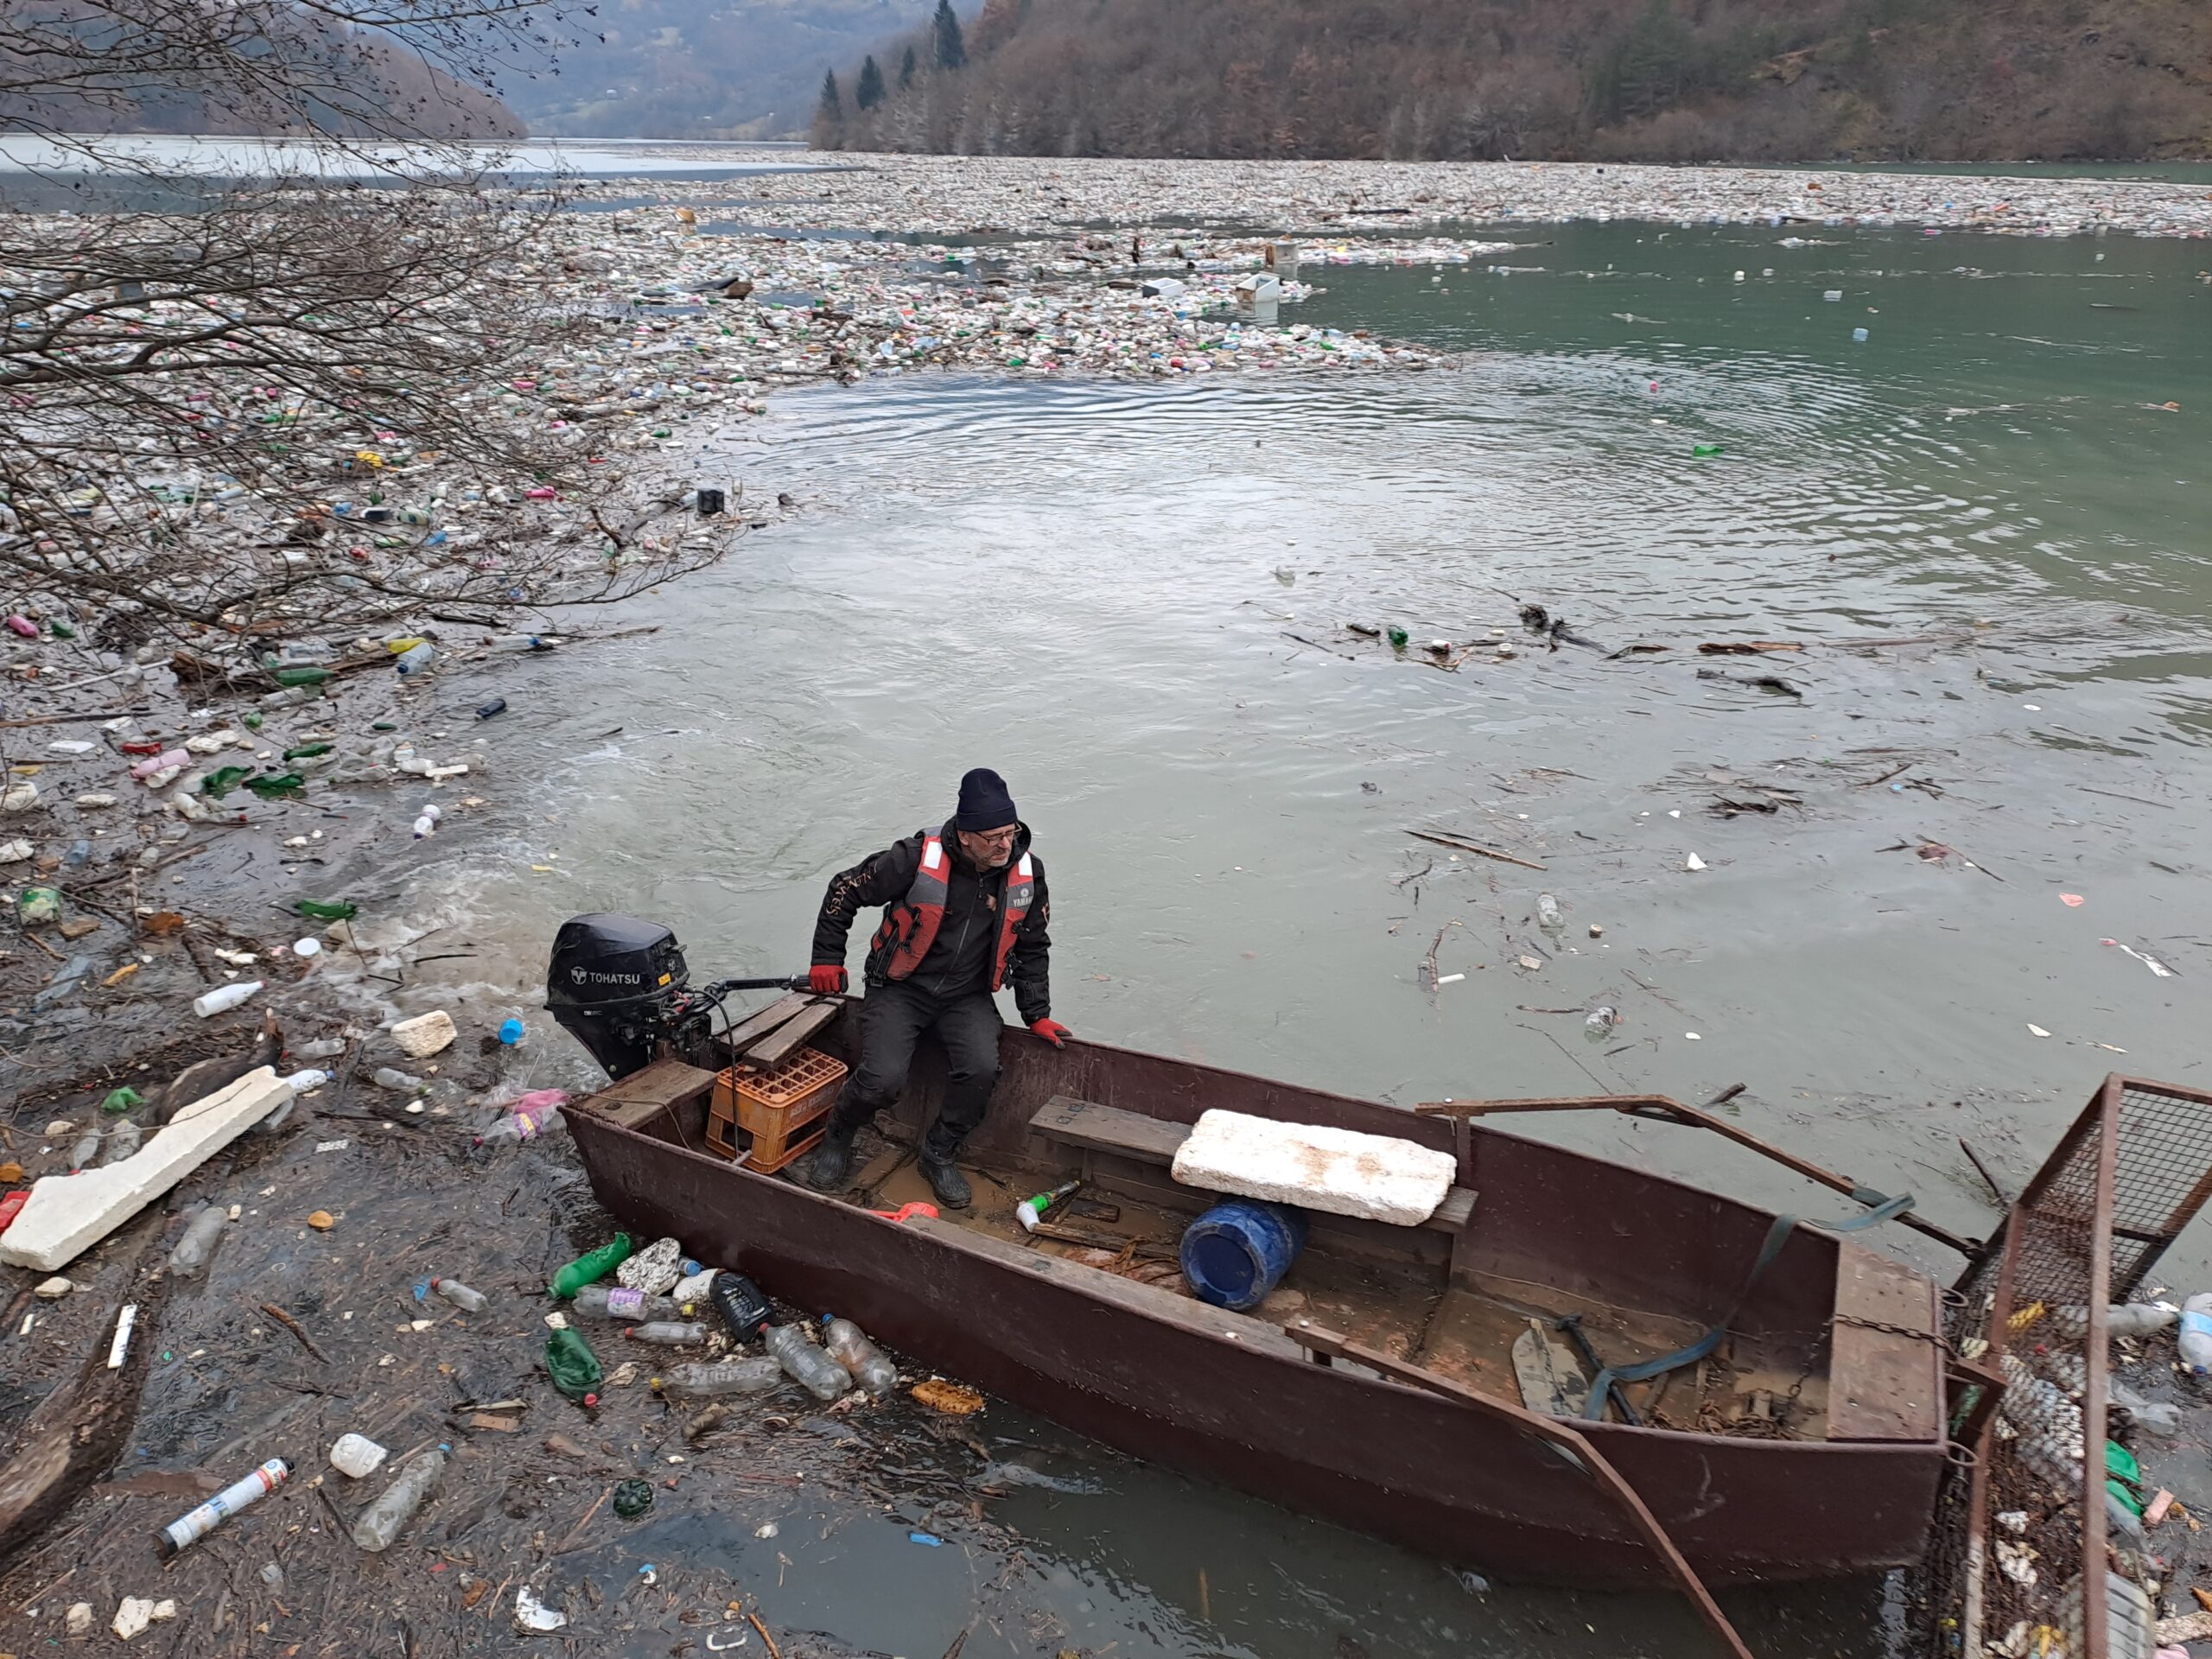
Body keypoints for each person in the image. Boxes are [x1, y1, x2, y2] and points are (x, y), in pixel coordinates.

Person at [794, 767, 1069, 1206]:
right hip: (900, 987)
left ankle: (939, 1151)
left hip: (967, 996)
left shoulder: (1027, 873)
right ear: (965, 836)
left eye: (1010, 833)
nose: (1005, 845)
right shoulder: (912, 858)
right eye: (993, 837)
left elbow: (1033, 945)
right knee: (882, 1081)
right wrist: (826, 958)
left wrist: (1037, 1014)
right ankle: (839, 1136)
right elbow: (844, 889)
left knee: (981, 1070)